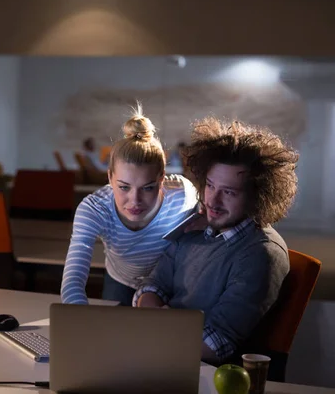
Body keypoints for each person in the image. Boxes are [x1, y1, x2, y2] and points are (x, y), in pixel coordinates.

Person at [133, 117, 299, 364]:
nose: (212, 200)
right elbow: (151, 286)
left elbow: (216, 344)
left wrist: (157, 326)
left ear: (258, 196)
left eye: (229, 192)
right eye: (210, 186)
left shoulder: (261, 254)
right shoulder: (196, 227)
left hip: (201, 371)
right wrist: (157, 321)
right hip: (160, 349)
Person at [61, 104, 198, 306]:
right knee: (114, 331)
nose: (135, 201)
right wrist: (78, 315)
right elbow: (73, 277)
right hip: (121, 280)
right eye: (124, 187)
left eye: (148, 188)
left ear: (162, 179)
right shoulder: (94, 209)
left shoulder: (182, 195)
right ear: (110, 177)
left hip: (168, 281)